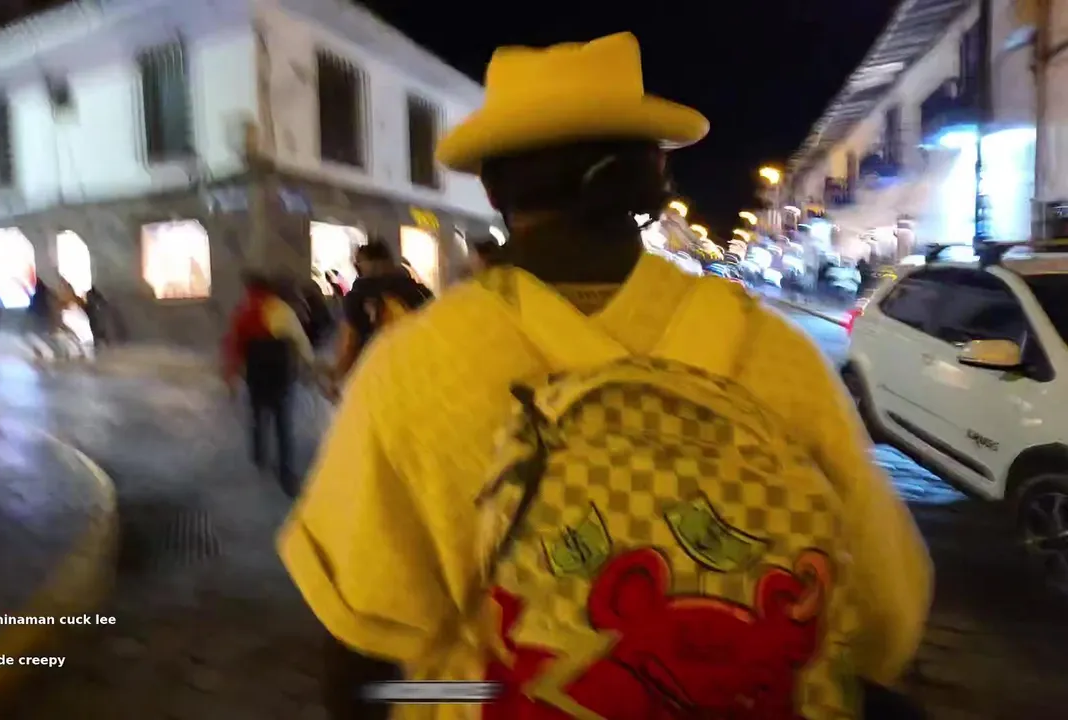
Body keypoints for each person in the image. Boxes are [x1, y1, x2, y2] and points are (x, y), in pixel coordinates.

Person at [278, 32, 931, 720]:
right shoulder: (776, 354)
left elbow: (362, 661)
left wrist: (492, 691)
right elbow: (886, 612)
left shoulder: (412, 367)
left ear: (493, 189)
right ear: (654, 173)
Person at [222, 271, 315, 496]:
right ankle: (286, 473)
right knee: (283, 423)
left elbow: (234, 346)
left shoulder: (244, 311)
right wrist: (308, 366)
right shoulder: (279, 309)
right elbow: (299, 339)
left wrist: (231, 376)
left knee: (257, 416)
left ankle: (259, 459)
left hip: (256, 373)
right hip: (280, 372)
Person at [331, 239, 433, 381]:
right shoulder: (421, 292)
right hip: (419, 371)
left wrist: (337, 377)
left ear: (360, 265)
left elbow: (349, 346)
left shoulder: (357, 297)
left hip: (376, 376)